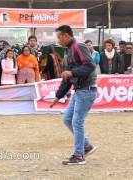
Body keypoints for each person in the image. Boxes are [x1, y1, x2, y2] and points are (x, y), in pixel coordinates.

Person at [51, 25, 97, 165]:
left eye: (59, 37)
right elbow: (67, 79)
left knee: (77, 122)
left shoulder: (78, 47)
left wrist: (72, 72)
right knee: (67, 119)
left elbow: (90, 66)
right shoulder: (69, 51)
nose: (58, 40)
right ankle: (86, 146)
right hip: (79, 91)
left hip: (86, 89)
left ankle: (79, 156)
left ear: (66, 35)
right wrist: (58, 96)